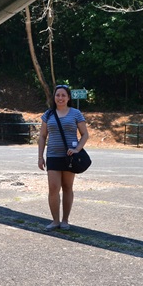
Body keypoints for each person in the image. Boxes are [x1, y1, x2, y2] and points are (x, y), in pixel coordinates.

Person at [37, 84, 89, 231]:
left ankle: (65, 220)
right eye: (57, 95)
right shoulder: (48, 114)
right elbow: (42, 136)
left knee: (67, 187)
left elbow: (85, 134)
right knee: (53, 188)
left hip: (69, 157)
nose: (60, 98)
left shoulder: (75, 113)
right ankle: (55, 220)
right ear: (54, 97)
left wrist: (77, 149)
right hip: (53, 155)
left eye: (63, 95)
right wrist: (40, 157)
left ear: (68, 98)